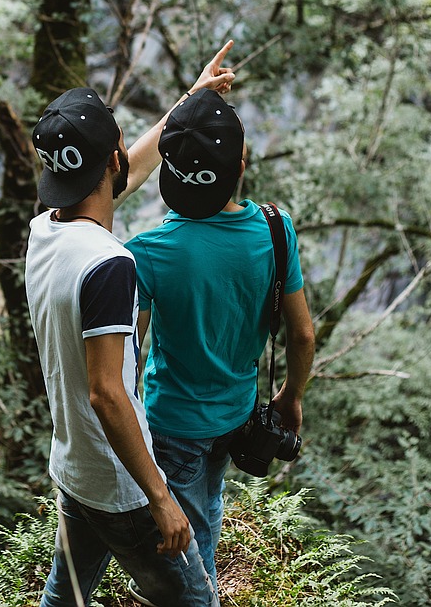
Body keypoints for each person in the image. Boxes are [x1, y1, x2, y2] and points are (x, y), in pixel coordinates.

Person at [25, 44, 234, 607]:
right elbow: (107, 394)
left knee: (65, 596)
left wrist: (192, 98)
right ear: (111, 160)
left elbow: (130, 169)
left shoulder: (45, 230)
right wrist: (161, 498)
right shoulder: (110, 265)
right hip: (120, 486)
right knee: (196, 602)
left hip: (73, 466)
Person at [124, 89, 317, 594]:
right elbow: (301, 333)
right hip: (237, 412)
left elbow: (127, 348)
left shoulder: (149, 252)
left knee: (187, 538)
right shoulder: (276, 230)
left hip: (173, 422)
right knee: (207, 506)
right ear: (240, 166)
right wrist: (292, 397)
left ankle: (193, 594)